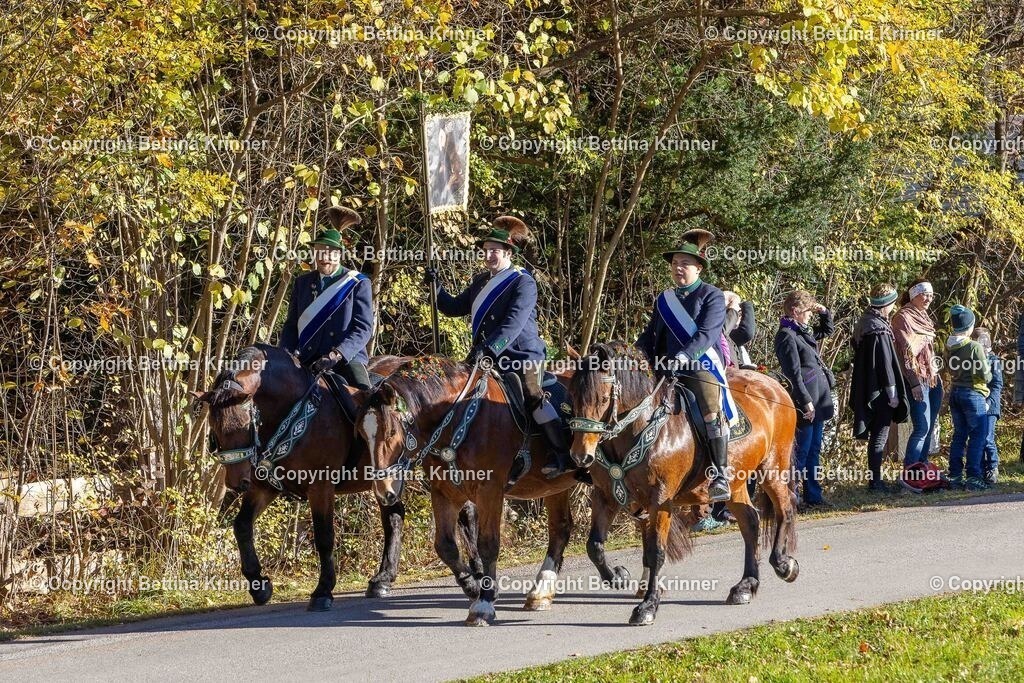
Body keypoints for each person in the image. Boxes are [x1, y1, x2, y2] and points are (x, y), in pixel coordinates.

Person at [425, 216, 570, 477]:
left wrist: (489, 349)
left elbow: (513, 323)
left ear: (508, 252)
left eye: (495, 250)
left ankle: (559, 452)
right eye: (486, 250)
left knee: (531, 393)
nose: (489, 255)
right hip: (486, 356)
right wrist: (436, 288)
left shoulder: (523, 282)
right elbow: (453, 307)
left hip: (520, 356)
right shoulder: (481, 281)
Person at [637, 229, 737, 503]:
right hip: (665, 366)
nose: (677, 268)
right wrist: (631, 355)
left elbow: (706, 334)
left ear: (698, 268)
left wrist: (683, 356)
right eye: (674, 263)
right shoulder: (664, 299)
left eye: (684, 263)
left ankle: (719, 474)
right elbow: (651, 335)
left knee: (710, 409)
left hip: (699, 364)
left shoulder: (712, 295)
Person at [279, 207, 373, 389]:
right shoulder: (302, 283)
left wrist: (336, 354)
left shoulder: (358, 283)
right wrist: (286, 355)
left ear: (339, 254)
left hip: (345, 359)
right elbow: (291, 325)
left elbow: (363, 329)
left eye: (330, 253)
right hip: (306, 356)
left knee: (365, 400)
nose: (324, 258)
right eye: (319, 252)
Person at [774, 289, 835, 509]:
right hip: (805, 399)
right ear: (795, 311)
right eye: (807, 310)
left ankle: (813, 495)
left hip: (819, 397)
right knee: (801, 452)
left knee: (814, 449)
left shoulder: (802, 331)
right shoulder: (786, 335)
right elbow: (793, 374)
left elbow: (828, 329)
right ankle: (791, 496)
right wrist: (805, 401)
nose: (810, 314)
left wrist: (824, 312)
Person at [850, 283, 909, 493]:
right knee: (879, 436)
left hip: (866, 387)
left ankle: (875, 480)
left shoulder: (865, 322)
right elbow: (885, 364)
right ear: (888, 303)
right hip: (880, 390)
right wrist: (893, 393)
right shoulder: (880, 329)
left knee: (876, 437)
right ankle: (876, 482)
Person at [891, 280, 943, 485]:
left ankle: (922, 469)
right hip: (916, 378)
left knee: (930, 428)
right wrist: (913, 382)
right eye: (924, 294)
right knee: (922, 426)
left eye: (931, 294)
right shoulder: (902, 317)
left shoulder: (924, 316)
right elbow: (905, 353)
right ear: (913, 295)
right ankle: (910, 473)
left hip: (931, 376)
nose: (929, 298)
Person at [944, 305, 991, 490]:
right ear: (970, 326)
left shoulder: (948, 346)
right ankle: (973, 477)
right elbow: (986, 375)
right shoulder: (974, 347)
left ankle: (955, 475)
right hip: (974, 393)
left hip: (955, 392)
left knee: (959, 436)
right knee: (978, 436)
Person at [973, 327, 1002, 484]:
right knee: (977, 438)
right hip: (975, 405)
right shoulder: (971, 359)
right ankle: (978, 468)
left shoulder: (993, 360)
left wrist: (989, 402)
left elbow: (997, 385)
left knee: (987, 438)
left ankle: (992, 467)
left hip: (990, 407)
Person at [721, 291, 757, 370]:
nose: (740, 316)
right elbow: (747, 332)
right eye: (739, 312)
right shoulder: (721, 332)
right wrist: (744, 306)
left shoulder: (729, 338)